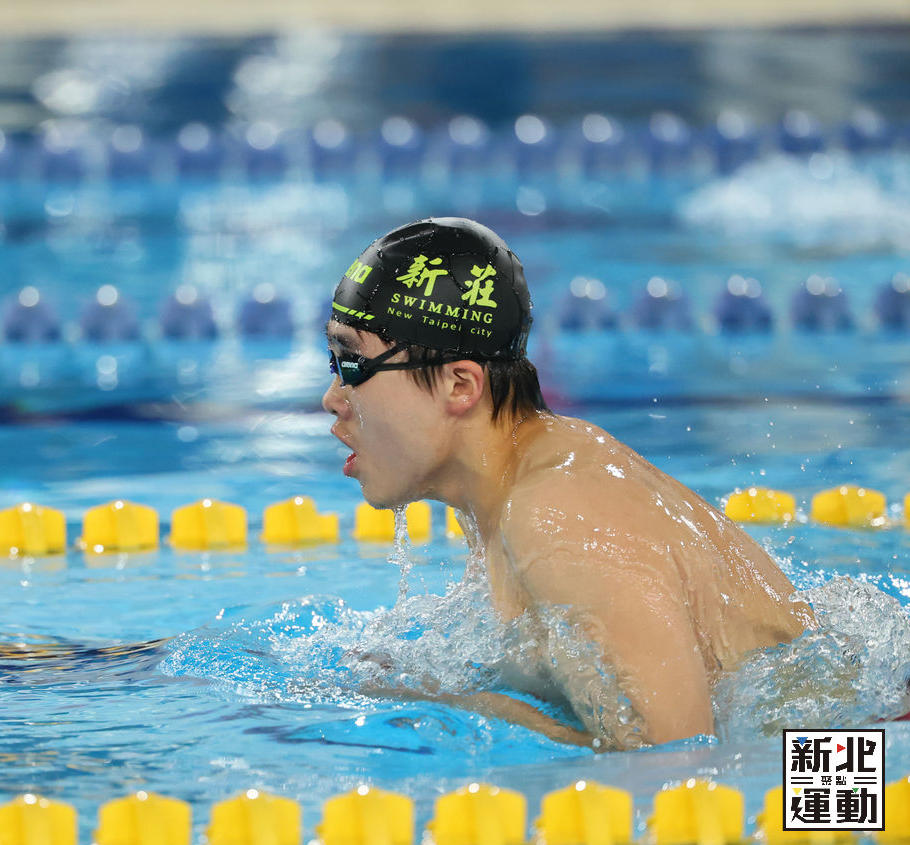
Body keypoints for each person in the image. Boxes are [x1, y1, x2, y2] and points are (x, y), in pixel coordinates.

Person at [322, 216, 816, 749]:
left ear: (460, 384)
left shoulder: (557, 511)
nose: (332, 398)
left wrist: (457, 705)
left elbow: (675, 759)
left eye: (352, 364)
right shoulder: (506, 489)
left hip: (847, 768)